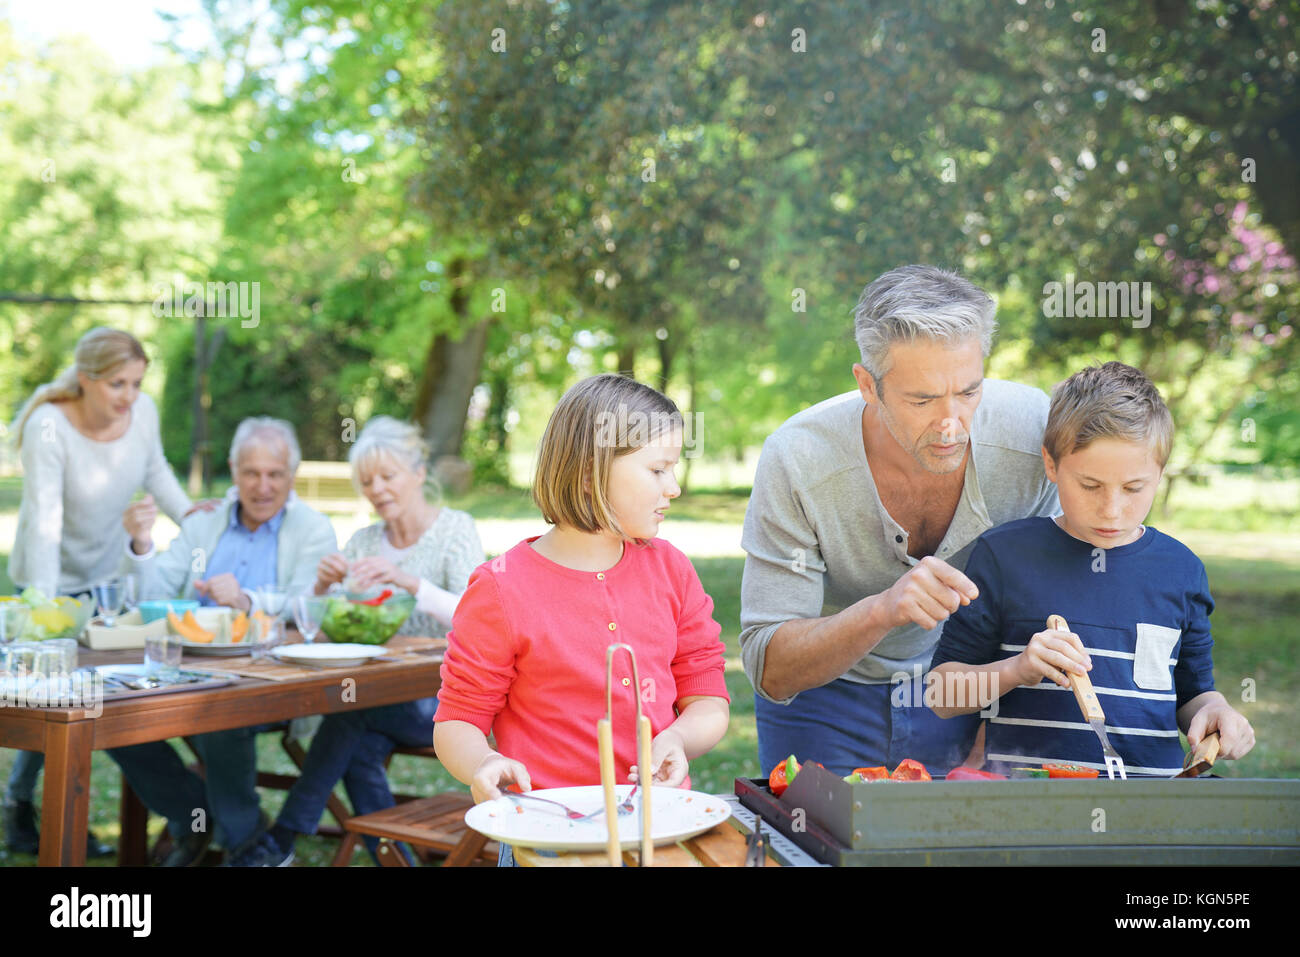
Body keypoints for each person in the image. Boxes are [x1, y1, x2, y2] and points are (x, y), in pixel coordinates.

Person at [739, 265, 1060, 778]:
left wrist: (985, 747)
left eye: (969, 392)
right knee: (814, 853)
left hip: (966, 691)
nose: (951, 424)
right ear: (868, 385)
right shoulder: (797, 459)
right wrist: (883, 610)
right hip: (825, 700)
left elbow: (1055, 601)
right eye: (923, 400)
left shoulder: (1032, 435)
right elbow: (771, 670)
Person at [433, 374, 731, 867]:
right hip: (548, 839)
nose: (673, 487)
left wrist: (677, 737)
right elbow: (456, 721)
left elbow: (708, 700)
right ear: (593, 470)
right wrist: (483, 763)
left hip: (661, 831)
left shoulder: (672, 569)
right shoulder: (501, 588)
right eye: (658, 470)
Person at [927, 362, 1256, 773]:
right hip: (1024, 808)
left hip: (1149, 810)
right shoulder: (1004, 555)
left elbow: (1194, 695)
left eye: (1134, 488)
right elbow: (941, 694)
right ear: (1051, 464)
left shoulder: (1181, 570)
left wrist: (1217, 712)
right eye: (1090, 485)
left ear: (1160, 474)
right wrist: (1017, 669)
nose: (1112, 510)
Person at [231, 416, 484, 866]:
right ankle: (396, 858)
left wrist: (410, 583)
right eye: (367, 481)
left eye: (388, 476)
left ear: (419, 474)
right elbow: (332, 627)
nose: (378, 489)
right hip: (379, 695)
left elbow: (477, 617)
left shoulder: (454, 530)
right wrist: (323, 589)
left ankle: (283, 836)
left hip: (448, 701)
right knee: (358, 748)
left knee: (349, 719)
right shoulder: (364, 541)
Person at [3, 327, 206, 858]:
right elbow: (45, 520)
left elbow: (155, 469)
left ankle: (20, 807)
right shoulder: (49, 426)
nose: (129, 397)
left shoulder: (142, 414)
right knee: (50, 696)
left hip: (109, 580)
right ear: (87, 378)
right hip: (47, 584)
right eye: (118, 384)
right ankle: (20, 807)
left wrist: (191, 517)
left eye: (137, 383)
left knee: (98, 695)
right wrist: (43, 610)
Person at [108, 417, 337, 865]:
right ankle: (193, 812)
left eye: (275, 474)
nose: (263, 486)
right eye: (252, 473)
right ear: (234, 471)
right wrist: (140, 545)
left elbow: (312, 601)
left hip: (274, 678)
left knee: (221, 709)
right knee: (113, 710)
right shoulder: (204, 524)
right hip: (190, 665)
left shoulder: (312, 528)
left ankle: (247, 843)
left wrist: (249, 600)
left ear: (291, 475)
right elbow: (155, 596)